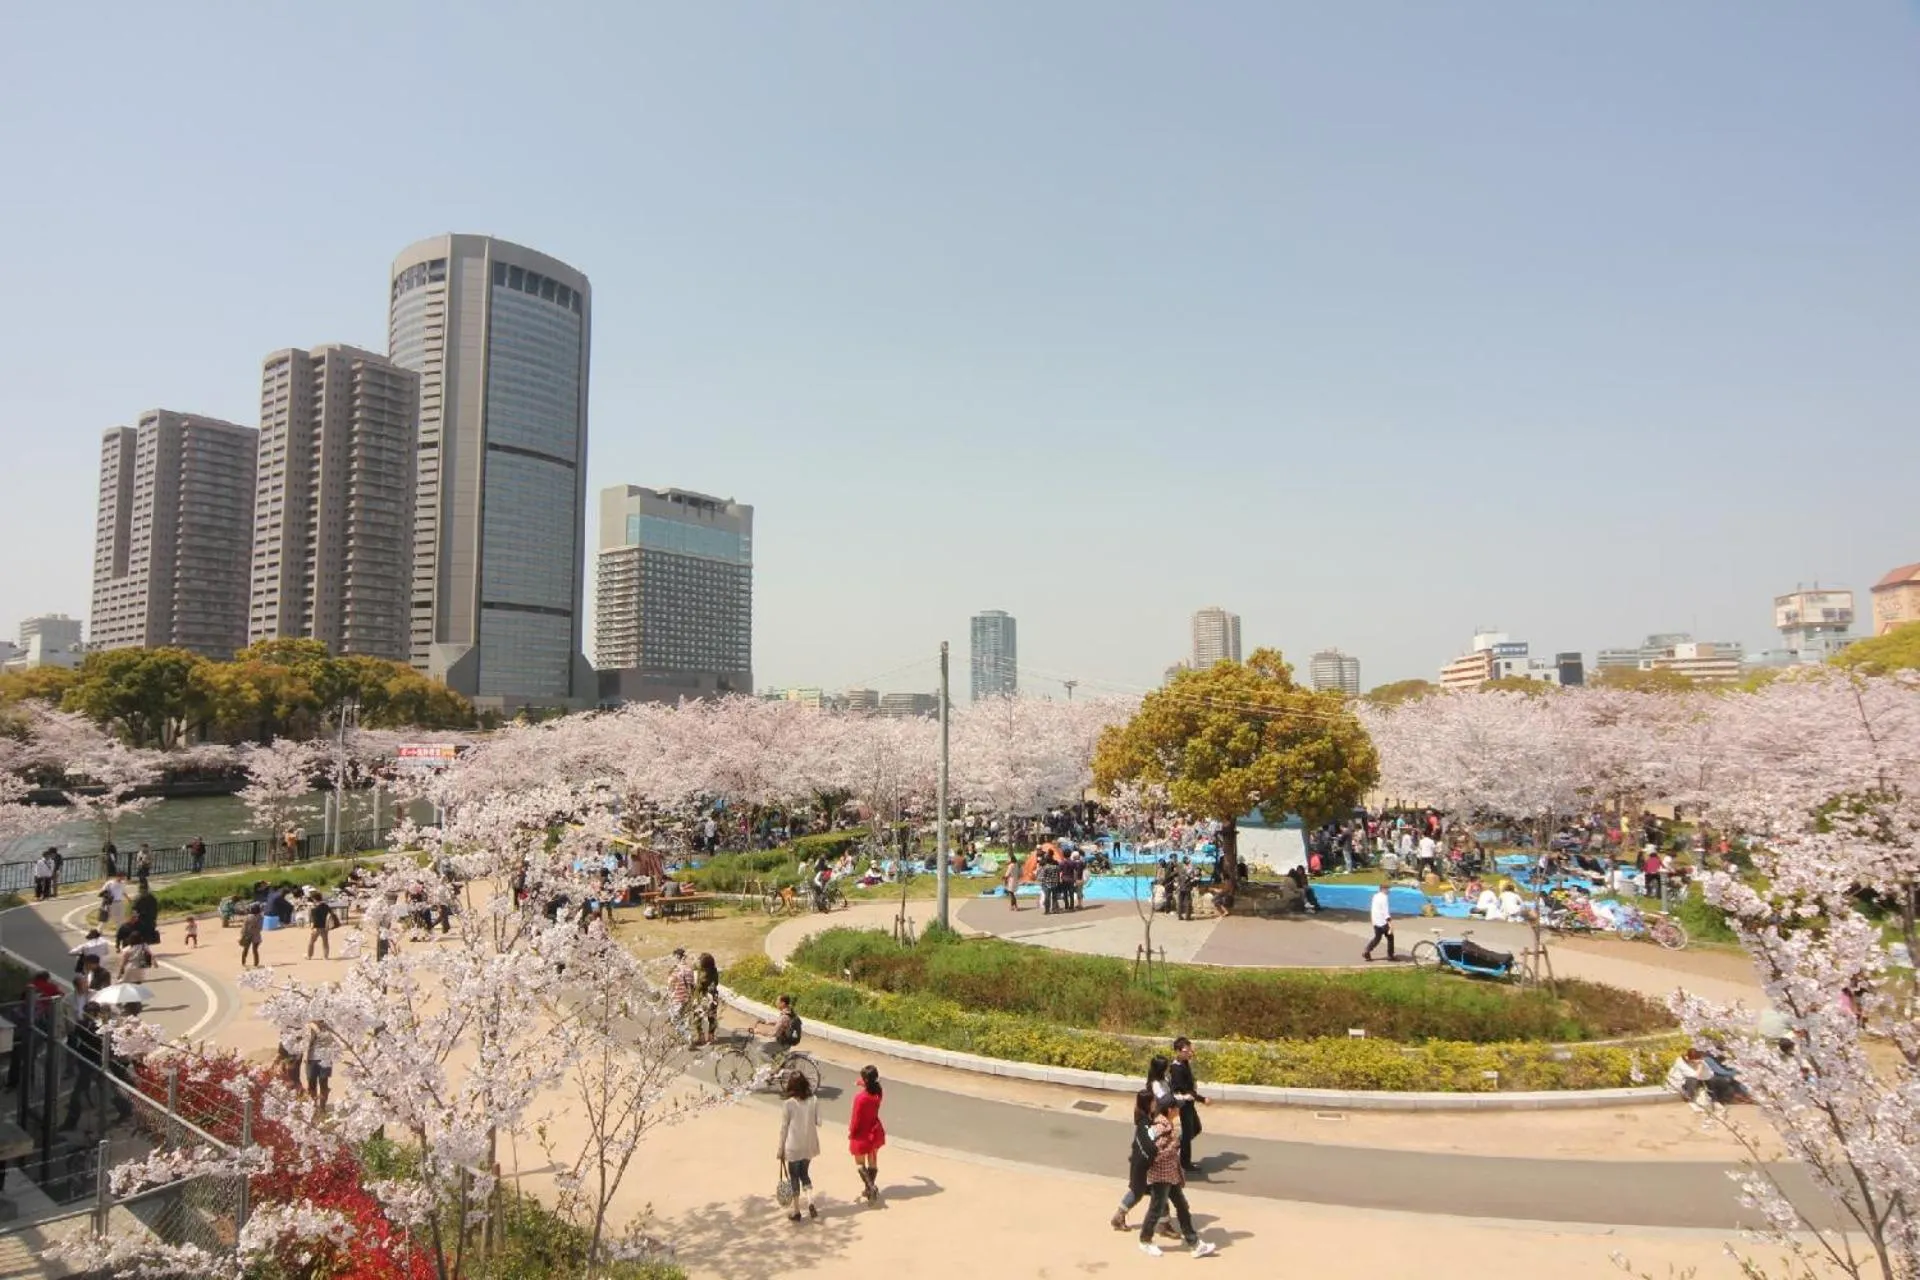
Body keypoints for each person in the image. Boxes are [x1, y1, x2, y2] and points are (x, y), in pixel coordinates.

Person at [1137, 1096, 1216, 1257]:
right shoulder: (1161, 1127)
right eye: (1177, 1107)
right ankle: (1145, 1241)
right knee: (1156, 1209)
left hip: (1170, 1174)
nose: (1179, 1109)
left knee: (1182, 1206)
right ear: (1170, 1110)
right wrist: (1174, 1146)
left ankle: (1194, 1242)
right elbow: (1154, 1152)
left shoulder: (1165, 1123)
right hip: (1161, 1176)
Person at [778, 1072, 822, 1222]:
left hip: (793, 1146)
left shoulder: (788, 1104)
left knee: (794, 1176)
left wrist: (780, 1149)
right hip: (809, 1144)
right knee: (804, 1173)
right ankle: (810, 1201)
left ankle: (796, 1210)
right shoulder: (813, 1100)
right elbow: (819, 1121)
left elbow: (784, 1128)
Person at [1167, 1038, 1207, 1172]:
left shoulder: (1184, 1062)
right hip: (1183, 1102)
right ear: (1178, 1051)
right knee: (1188, 1131)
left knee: (1196, 1128)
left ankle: (1176, 1145)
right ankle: (1185, 1163)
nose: (1189, 1053)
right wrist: (1202, 1099)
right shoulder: (1176, 1068)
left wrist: (1191, 1054)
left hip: (1189, 1102)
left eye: (1190, 1050)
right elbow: (1183, 1089)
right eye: (1186, 1051)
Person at [848, 1064, 886, 1204]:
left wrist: (851, 1133)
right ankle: (869, 1190)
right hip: (874, 1131)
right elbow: (874, 1084)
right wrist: (861, 1082)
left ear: (865, 1080)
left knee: (860, 1164)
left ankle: (871, 1187)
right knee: (872, 1162)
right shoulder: (878, 1093)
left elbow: (855, 1118)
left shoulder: (860, 1098)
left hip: (861, 1133)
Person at [302, 1022, 334, 1114]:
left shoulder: (328, 1024)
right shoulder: (308, 1026)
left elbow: (331, 1040)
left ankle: (322, 1108)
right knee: (312, 1085)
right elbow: (305, 1043)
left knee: (323, 1083)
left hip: (325, 1059)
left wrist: (317, 1029)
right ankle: (313, 1108)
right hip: (312, 1059)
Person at [693, 953, 721, 1046]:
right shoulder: (714, 970)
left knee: (697, 1018)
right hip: (714, 996)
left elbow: (699, 986)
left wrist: (695, 996)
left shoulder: (703, 974)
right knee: (712, 1017)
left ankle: (701, 1037)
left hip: (704, 997)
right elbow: (716, 982)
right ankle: (711, 1037)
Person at [1362, 882, 1395, 962]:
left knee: (1377, 938)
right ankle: (1390, 955)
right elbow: (1385, 912)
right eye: (1388, 889)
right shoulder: (1384, 898)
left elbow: (1374, 909)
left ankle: (1367, 950)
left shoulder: (1375, 896)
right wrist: (1390, 924)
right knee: (1390, 937)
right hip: (1383, 922)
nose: (1389, 891)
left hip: (1376, 921)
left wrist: (1373, 921)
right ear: (1383, 889)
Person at [667, 948, 697, 1036]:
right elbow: (692, 984)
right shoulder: (689, 969)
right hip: (687, 999)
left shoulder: (675, 970)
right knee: (684, 1020)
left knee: (676, 1020)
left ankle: (684, 1037)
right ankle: (685, 1037)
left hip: (677, 999)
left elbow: (670, 984)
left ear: (677, 957)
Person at [307, 893, 335, 960]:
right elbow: (331, 913)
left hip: (316, 927)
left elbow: (313, 919)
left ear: (314, 899)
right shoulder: (326, 906)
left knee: (311, 941)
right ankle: (326, 956)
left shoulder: (314, 908)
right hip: (325, 926)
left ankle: (309, 956)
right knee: (325, 942)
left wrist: (312, 926)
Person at [239, 904, 265, 968]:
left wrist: (242, 935)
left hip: (247, 935)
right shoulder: (261, 917)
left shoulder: (248, 917)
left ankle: (243, 962)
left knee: (245, 949)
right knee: (255, 950)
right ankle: (256, 964)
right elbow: (260, 928)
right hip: (256, 935)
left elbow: (244, 927)